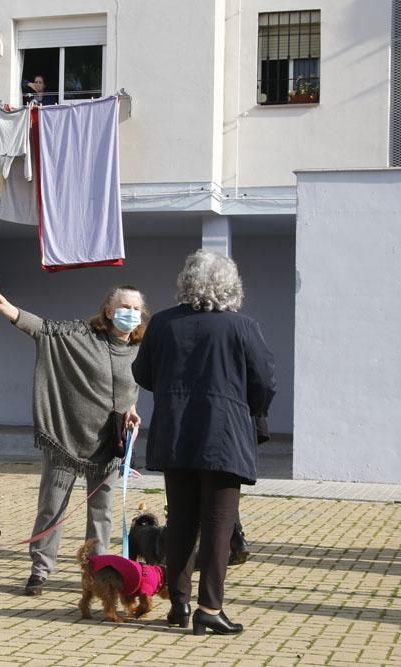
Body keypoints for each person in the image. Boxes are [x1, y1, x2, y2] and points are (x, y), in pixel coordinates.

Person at [132, 250, 275, 634]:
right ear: (231, 286)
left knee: (180, 522)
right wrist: (251, 407)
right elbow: (265, 380)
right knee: (218, 526)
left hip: (176, 435)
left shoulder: (161, 324)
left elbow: (142, 373)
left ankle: (178, 604)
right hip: (224, 438)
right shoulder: (242, 327)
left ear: (186, 281)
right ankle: (209, 608)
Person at [0, 284, 147, 595]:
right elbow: (42, 330)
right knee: (52, 508)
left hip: (109, 445)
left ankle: (99, 571)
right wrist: (6, 308)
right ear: (109, 311)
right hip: (67, 439)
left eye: (136, 309)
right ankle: (40, 570)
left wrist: (132, 410)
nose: (131, 313)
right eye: (124, 307)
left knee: (102, 512)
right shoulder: (81, 336)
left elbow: (130, 389)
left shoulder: (139, 350)